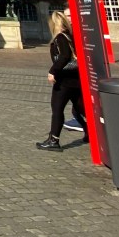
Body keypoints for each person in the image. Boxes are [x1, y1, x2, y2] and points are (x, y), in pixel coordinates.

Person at [36, 12, 87, 151]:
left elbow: (64, 56)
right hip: (75, 78)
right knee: (80, 109)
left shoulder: (60, 37)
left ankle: (54, 140)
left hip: (64, 80)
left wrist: (53, 71)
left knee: (57, 109)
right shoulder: (71, 35)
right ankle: (91, 132)